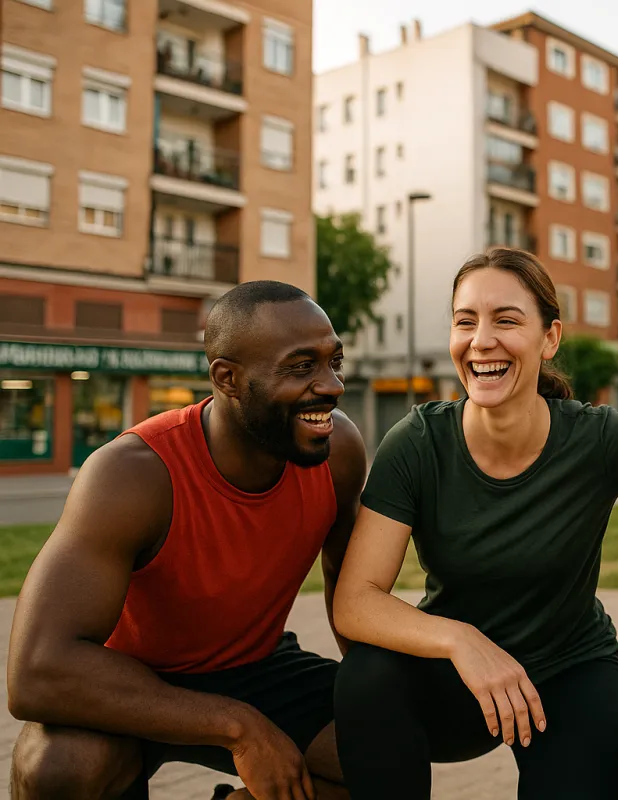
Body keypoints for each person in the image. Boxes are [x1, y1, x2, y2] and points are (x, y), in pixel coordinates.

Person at [331, 247, 618, 799]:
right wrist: (461, 641)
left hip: (570, 671)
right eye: (466, 321)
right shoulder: (418, 443)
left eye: (506, 320)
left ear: (550, 338)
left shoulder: (597, 440)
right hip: (458, 679)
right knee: (365, 679)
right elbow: (355, 601)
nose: (481, 340)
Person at [7, 281, 365, 800]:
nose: (331, 385)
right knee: (62, 769)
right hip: (128, 680)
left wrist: (379, 697)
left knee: (384, 746)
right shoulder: (132, 474)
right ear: (229, 378)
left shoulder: (337, 452)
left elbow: (351, 594)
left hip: (256, 666)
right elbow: (37, 671)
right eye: (301, 366)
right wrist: (238, 727)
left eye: (334, 361)